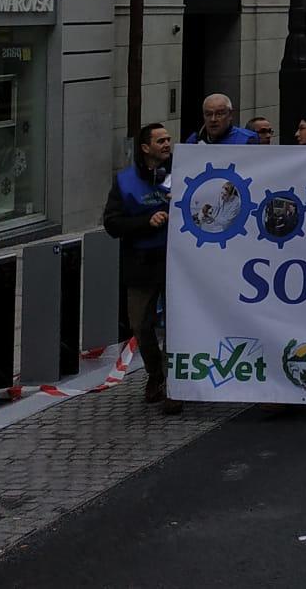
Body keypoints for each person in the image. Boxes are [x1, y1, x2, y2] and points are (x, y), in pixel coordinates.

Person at [102, 123, 180, 415]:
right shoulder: (125, 181)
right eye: (160, 140)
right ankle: (155, 372)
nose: (167, 144)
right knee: (141, 324)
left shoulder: (182, 173)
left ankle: (174, 384)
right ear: (145, 147)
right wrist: (146, 222)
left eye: (169, 139)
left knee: (176, 326)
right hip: (141, 262)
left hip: (175, 262)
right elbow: (112, 223)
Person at [186, 93, 254, 146]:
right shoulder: (194, 140)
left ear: (230, 114)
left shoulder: (247, 139)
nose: (213, 119)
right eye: (208, 114)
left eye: (219, 114)